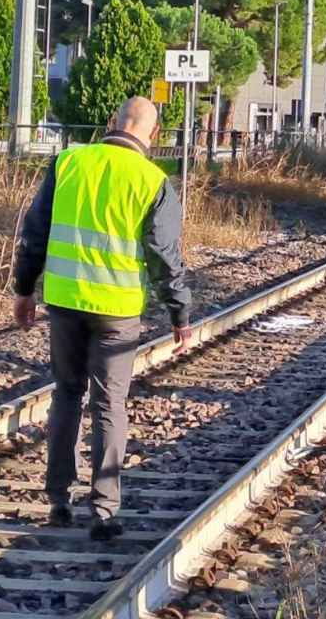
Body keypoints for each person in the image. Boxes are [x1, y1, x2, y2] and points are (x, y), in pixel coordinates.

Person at [12, 96, 193, 541]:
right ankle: (105, 510)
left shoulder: (68, 162)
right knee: (109, 404)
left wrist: (23, 289)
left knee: (66, 394)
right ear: (152, 134)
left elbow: (35, 231)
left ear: (113, 122)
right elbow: (163, 256)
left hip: (65, 301)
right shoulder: (153, 180)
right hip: (118, 310)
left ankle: (58, 500)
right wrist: (179, 313)